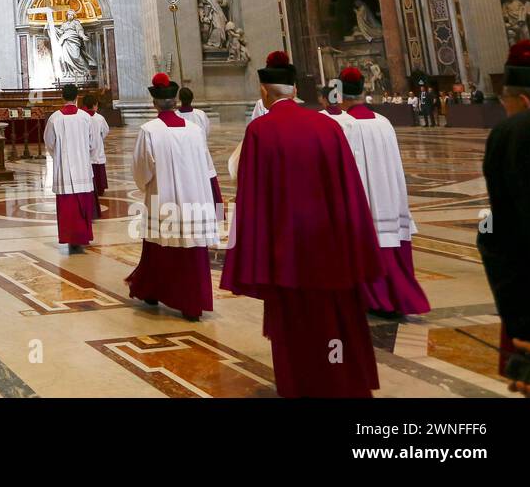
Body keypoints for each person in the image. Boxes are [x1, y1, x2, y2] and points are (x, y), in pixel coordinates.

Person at [221, 50, 383, 397]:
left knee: (294, 322)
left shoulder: (260, 130)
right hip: (331, 243)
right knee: (335, 315)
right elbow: (349, 186)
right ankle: (340, 377)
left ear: (265, 92)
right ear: (294, 90)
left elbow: (249, 191)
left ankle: (301, 383)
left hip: (287, 248)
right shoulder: (328, 125)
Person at [323, 67, 430, 318]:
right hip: (386, 199)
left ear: (339, 93)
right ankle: (394, 295)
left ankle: (367, 295)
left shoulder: (338, 124)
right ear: (364, 91)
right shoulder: (384, 123)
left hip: (358, 202)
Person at [127, 73, 218, 321]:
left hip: (163, 199)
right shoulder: (195, 130)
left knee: (160, 248)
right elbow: (207, 165)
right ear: (175, 101)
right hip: (195, 200)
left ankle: (154, 291)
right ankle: (192, 303)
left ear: (154, 103)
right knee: (192, 249)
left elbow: (141, 169)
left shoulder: (149, 131)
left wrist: (147, 186)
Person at [477, 40, 530, 396]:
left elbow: (495, 220)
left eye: (505, 103)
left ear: (523, 101)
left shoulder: (510, 134)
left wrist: (481, 224)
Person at [43, 83, 100, 253]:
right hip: (83, 168)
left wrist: (59, 156)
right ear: (77, 97)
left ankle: (69, 237)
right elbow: (93, 143)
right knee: (83, 204)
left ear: (63, 97)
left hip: (64, 170)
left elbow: (49, 142)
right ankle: (83, 236)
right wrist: (84, 155)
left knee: (68, 207)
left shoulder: (55, 118)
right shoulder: (85, 117)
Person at [80, 91, 110, 216]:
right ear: (95, 105)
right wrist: (100, 138)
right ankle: (101, 187)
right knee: (98, 166)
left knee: (90, 165)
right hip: (98, 146)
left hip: (86, 148)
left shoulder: (81, 117)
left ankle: (93, 187)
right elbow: (106, 131)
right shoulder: (99, 118)